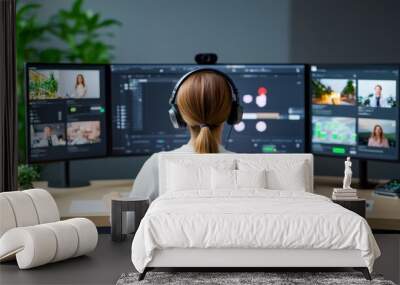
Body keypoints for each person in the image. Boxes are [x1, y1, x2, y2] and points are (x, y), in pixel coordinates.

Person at [128, 70, 235, 202]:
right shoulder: (247, 166)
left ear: (176, 115)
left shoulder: (158, 164)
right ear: (233, 113)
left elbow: (130, 220)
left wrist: (112, 201)